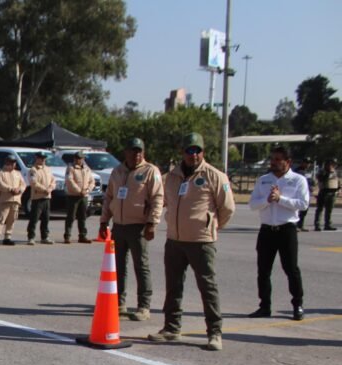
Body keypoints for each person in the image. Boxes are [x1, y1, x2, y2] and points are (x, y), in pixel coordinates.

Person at [148, 132, 235, 351]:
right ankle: (171, 327)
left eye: (197, 150)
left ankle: (214, 332)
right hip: (175, 240)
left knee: (207, 286)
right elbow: (165, 201)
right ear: (183, 152)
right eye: (189, 150)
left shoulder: (214, 176)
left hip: (201, 241)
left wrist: (211, 226)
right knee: (173, 286)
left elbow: (227, 208)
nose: (193, 154)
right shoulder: (172, 176)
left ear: (203, 152)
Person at [99, 138, 163, 322]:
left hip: (139, 226)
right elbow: (109, 196)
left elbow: (157, 198)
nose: (137, 155)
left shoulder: (150, 171)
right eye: (133, 151)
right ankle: (119, 302)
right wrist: (104, 221)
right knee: (118, 266)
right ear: (125, 152)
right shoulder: (117, 171)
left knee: (141, 266)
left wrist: (152, 223)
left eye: (140, 151)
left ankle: (144, 305)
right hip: (119, 225)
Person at [247, 146, 309, 321]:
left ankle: (298, 305)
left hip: (286, 230)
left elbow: (303, 204)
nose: (273, 163)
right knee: (263, 270)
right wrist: (266, 200)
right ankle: (264, 306)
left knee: (291, 269)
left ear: (287, 162)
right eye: (272, 159)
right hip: (267, 230)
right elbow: (252, 204)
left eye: (277, 160)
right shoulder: (264, 180)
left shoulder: (298, 180)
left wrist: (281, 199)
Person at [64, 151, 95, 244]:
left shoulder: (87, 169)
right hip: (73, 196)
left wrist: (87, 190)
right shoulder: (71, 168)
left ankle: (82, 235)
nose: (80, 160)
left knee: (83, 217)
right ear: (74, 159)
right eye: (78, 158)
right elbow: (70, 181)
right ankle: (67, 236)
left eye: (81, 158)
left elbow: (92, 181)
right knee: (71, 217)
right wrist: (79, 191)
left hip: (84, 196)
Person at [0, 155, 25, 246]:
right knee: (1, 219)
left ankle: (8, 237)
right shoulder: (0, 173)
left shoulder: (17, 173)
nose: (13, 164)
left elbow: (23, 184)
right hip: (5, 200)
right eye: (11, 162)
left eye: (14, 162)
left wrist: (19, 190)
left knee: (12, 219)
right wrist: (10, 189)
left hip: (15, 200)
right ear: (7, 162)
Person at [26, 153, 55, 245]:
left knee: (46, 218)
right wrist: (44, 189)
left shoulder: (48, 169)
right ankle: (31, 237)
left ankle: (45, 237)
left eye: (44, 158)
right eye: (40, 158)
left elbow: (53, 181)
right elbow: (33, 182)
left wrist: (50, 188)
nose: (42, 160)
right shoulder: (33, 170)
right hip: (37, 197)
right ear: (37, 158)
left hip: (47, 197)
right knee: (34, 218)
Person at [314, 158, 338, 231]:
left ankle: (328, 224)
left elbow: (336, 180)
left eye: (334, 164)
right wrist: (328, 173)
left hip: (333, 192)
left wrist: (338, 187)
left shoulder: (334, 171)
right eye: (331, 164)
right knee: (320, 209)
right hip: (324, 191)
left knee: (329, 210)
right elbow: (321, 179)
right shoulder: (322, 171)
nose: (333, 165)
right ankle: (317, 225)